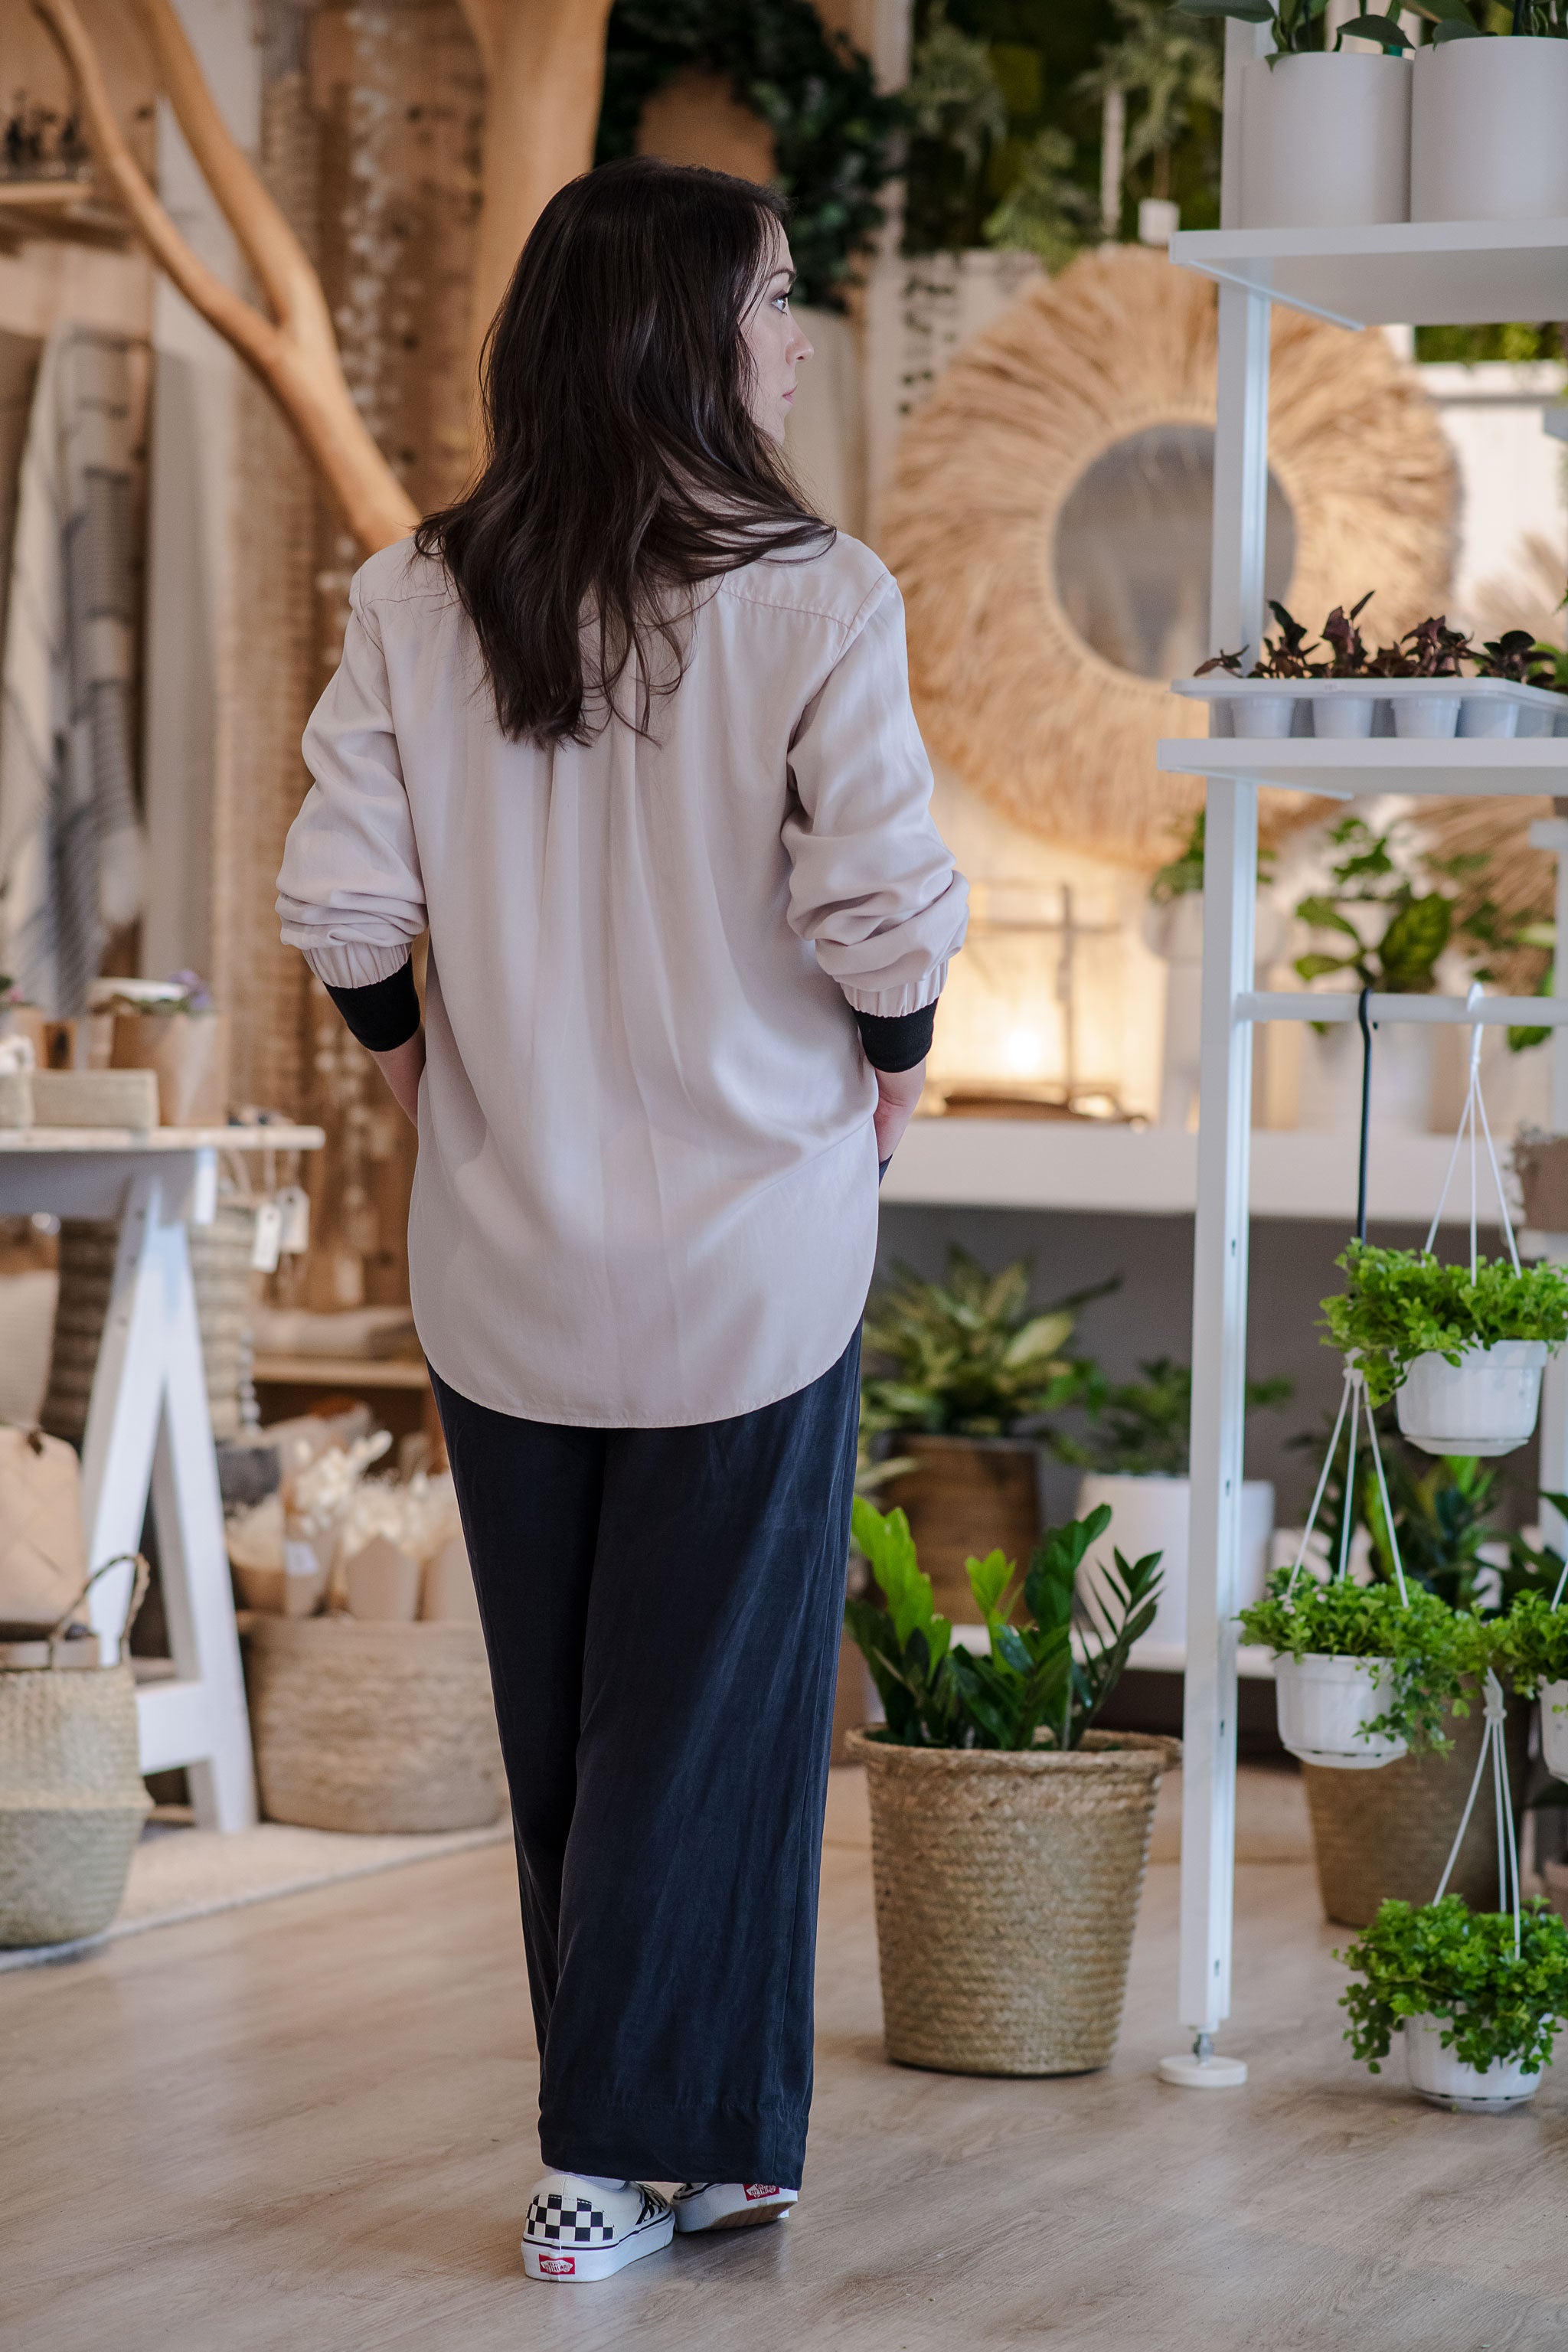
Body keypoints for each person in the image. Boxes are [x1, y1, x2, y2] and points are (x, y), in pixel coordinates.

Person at [276, 155, 966, 2285]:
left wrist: (417, 1064)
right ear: (684, 331)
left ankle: (726, 2141)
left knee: (582, 1715)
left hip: (503, 1249)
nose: (790, 337)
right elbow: (881, 916)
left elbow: (344, 907)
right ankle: (604, 2150)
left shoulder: (417, 594)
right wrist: (901, 1054)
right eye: (771, 299)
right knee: (714, 1719)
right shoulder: (819, 593)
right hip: (756, 1242)